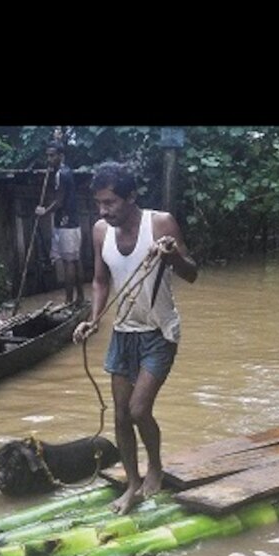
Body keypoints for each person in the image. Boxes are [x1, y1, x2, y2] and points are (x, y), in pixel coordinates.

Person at [72, 162, 198, 515]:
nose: (103, 211)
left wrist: (172, 254)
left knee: (139, 409)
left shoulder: (160, 223)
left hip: (159, 331)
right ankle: (132, 483)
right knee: (120, 416)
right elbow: (100, 280)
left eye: (110, 202)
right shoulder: (100, 231)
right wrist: (93, 320)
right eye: (99, 203)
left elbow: (192, 274)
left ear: (131, 197)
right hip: (123, 332)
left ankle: (154, 466)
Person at [35, 141, 83, 305]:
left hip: (66, 222)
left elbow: (60, 201)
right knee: (74, 260)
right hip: (69, 222)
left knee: (69, 261)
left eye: (52, 155)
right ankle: (80, 298)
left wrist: (44, 212)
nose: (49, 159)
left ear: (61, 156)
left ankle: (69, 300)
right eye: (47, 155)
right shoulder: (63, 172)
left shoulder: (61, 174)